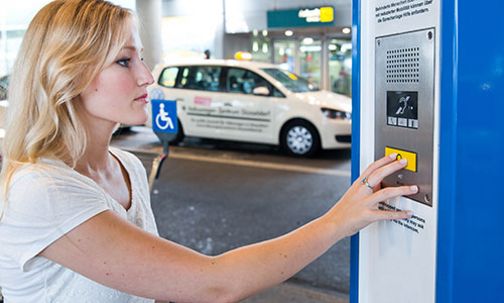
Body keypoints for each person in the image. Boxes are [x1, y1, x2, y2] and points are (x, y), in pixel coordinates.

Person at [0, 1, 418, 302]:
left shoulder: (125, 165)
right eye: (124, 62)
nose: (148, 76)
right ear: (67, 75)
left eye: (141, 58)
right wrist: (337, 221)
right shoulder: (44, 190)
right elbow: (215, 283)